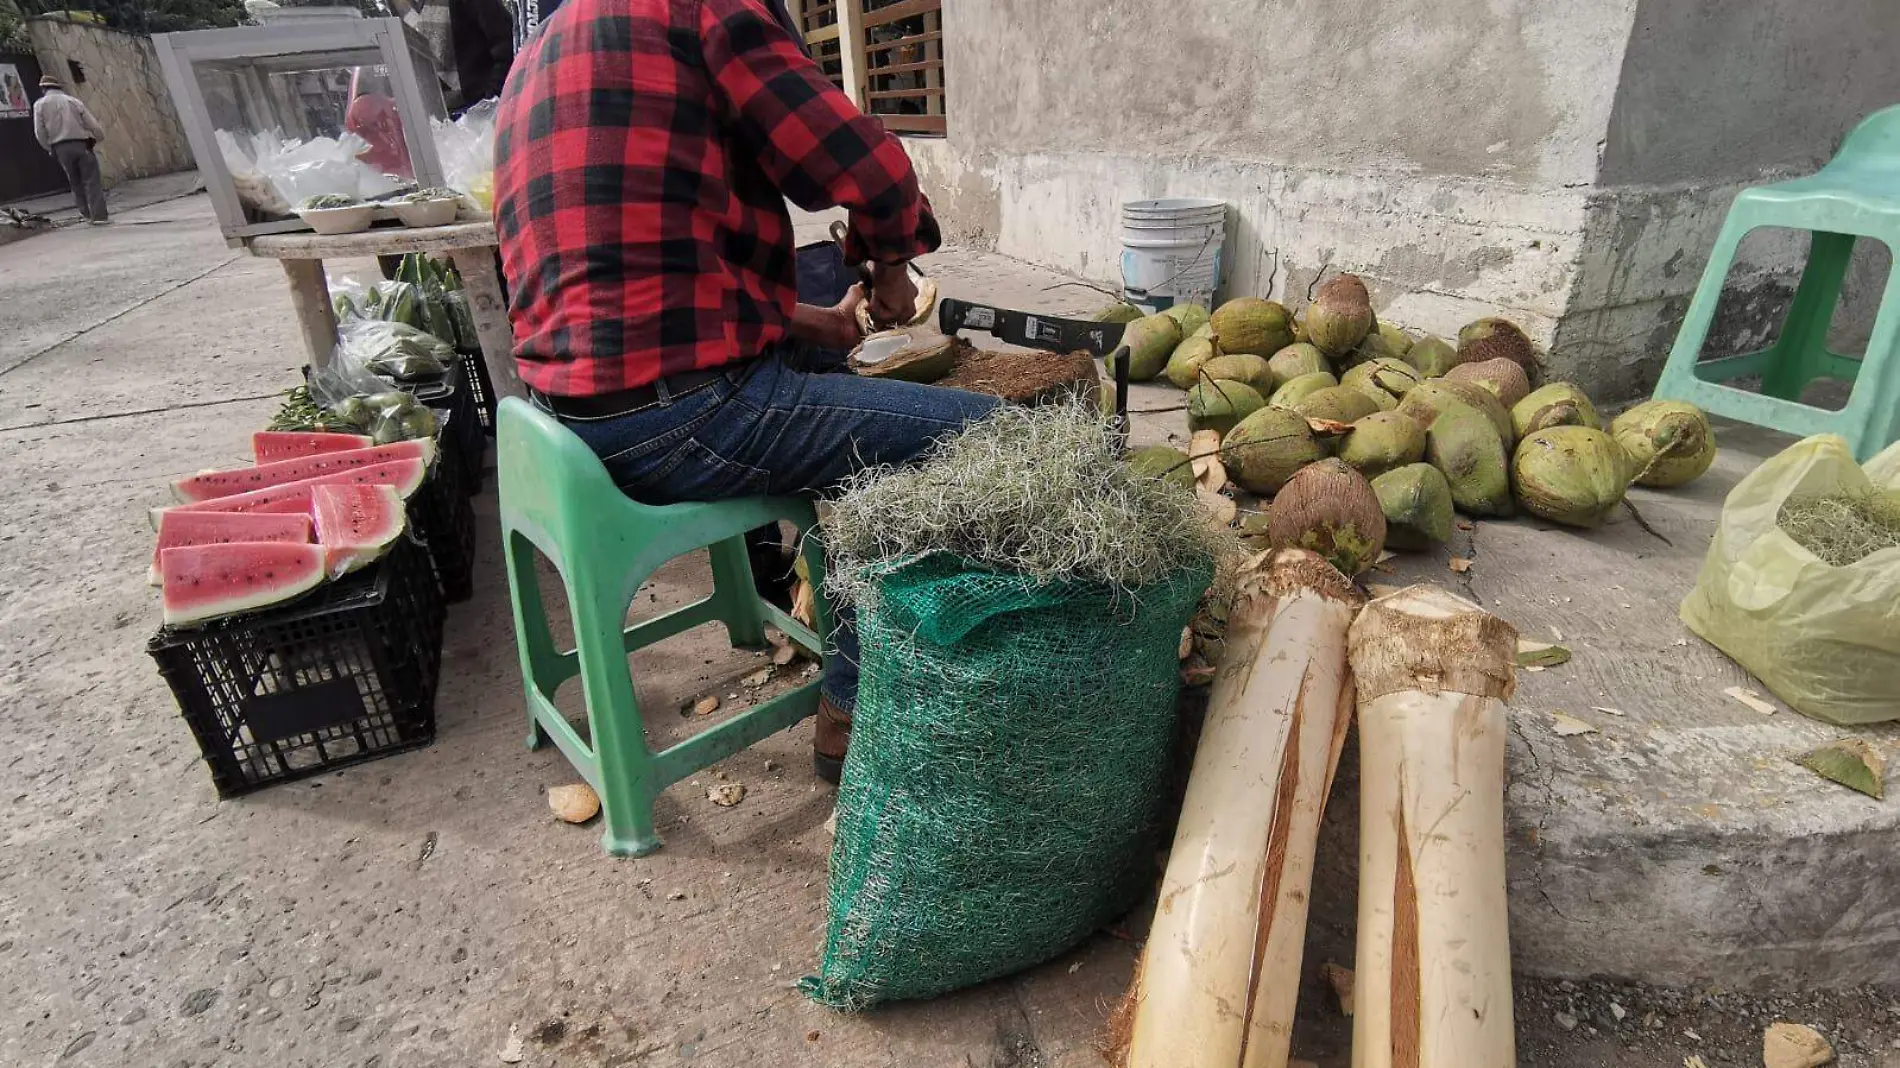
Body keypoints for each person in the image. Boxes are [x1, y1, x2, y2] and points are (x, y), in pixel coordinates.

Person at [493, 0, 999, 782]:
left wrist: (809, 324)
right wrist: (893, 264)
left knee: (846, 388)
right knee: (987, 436)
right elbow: (860, 163)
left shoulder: (543, 44)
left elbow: (643, 266)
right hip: (676, 416)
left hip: (560, 415)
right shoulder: (702, 5)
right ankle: (855, 710)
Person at [389, 0, 514, 113]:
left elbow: (506, 42)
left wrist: (492, 97)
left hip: (480, 110)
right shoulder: (398, 5)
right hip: (434, 117)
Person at [32, 75, 108, 226]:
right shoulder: (73, 101)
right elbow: (92, 125)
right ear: (59, 87)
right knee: (91, 181)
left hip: (61, 148)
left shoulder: (39, 105)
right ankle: (99, 216)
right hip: (81, 145)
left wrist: (49, 148)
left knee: (75, 182)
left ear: (43, 88)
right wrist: (99, 138)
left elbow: (39, 131)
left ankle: (86, 214)